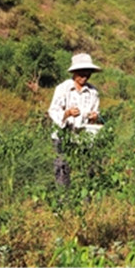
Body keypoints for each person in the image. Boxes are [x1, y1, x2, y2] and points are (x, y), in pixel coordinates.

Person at [47, 53, 102, 186]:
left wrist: (95, 117)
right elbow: (53, 110)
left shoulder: (93, 92)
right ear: (74, 72)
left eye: (87, 73)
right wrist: (67, 113)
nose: (85, 76)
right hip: (63, 134)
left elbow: (95, 115)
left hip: (84, 135)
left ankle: (85, 199)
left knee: (87, 166)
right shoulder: (63, 89)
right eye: (81, 73)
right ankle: (63, 199)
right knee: (62, 167)